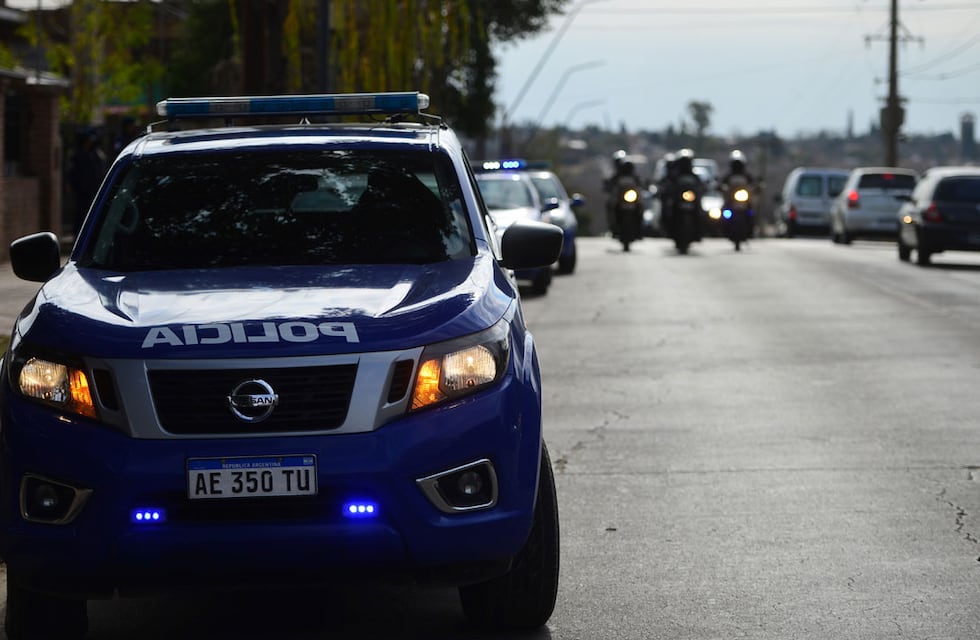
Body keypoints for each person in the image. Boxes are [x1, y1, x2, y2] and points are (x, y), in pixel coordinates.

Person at [66, 128, 107, 237]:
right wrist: (71, 184)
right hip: (81, 190)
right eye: (88, 140)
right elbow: (72, 171)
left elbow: (100, 172)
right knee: (80, 214)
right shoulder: (78, 155)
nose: (90, 143)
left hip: (94, 189)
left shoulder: (96, 154)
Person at [718, 149, 758, 237]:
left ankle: (751, 229)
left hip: (744, 200)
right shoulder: (729, 176)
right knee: (724, 210)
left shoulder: (746, 176)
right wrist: (720, 187)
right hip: (731, 200)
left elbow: (753, 183)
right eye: (735, 164)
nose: (737, 167)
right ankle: (723, 228)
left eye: (739, 164)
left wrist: (756, 187)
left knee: (751, 211)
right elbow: (721, 184)